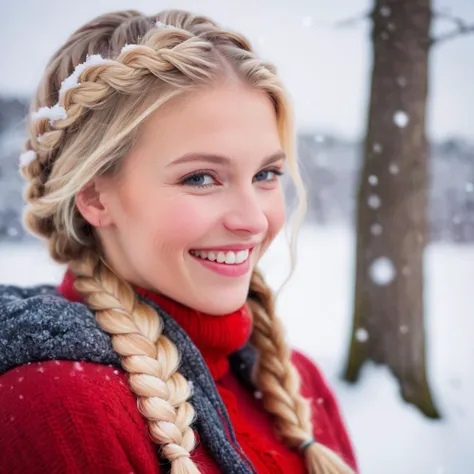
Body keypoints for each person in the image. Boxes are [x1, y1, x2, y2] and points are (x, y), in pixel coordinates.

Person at [0, 9, 358, 474]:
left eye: (266, 174)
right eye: (202, 177)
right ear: (94, 196)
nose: (252, 220)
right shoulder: (61, 407)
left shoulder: (298, 386)